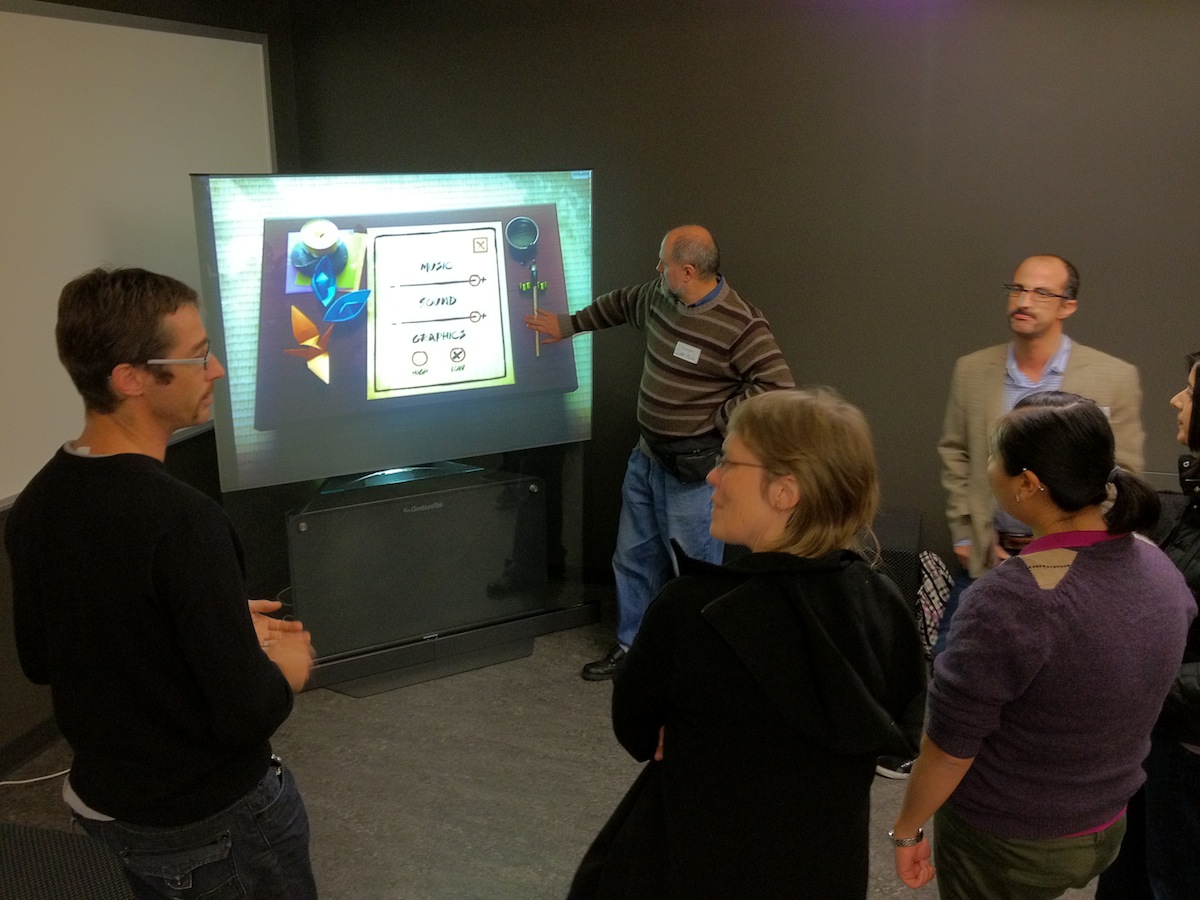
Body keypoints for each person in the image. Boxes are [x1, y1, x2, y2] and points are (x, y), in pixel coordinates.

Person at [5, 267, 318, 899]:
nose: (217, 370)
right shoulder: (184, 521)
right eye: (199, 356)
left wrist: (218, 622)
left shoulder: (40, 499)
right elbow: (247, 713)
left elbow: (46, 658)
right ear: (131, 378)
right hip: (210, 822)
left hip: (108, 809)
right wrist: (287, 663)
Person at [568, 389, 927, 899]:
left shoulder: (692, 609)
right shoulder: (882, 601)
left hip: (695, 863)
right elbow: (902, 722)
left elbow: (636, 728)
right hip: (822, 869)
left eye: (728, 461)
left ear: (784, 491)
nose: (712, 476)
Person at [891, 391, 1195, 900]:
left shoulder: (1012, 599)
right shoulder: (1157, 565)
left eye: (993, 457)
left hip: (1011, 843)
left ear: (1029, 485)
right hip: (1106, 825)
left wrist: (908, 827)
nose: (987, 467)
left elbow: (949, 748)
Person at [525, 225, 794, 680]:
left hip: (695, 472)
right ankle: (633, 645)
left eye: (663, 263)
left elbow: (777, 387)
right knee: (632, 558)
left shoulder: (742, 323)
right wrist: (568, 326)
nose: (656, 270)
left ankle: (693, 663)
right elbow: (621, 302)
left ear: (687, 271)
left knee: (693, 574)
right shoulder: (660, 296)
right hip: (647, 457)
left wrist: (716, 419)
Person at [1096, 353, 1200, 900]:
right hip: (1157, 740)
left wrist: (1143, 684)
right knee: (1128, 873)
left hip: (1188, 746)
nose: (1176, 401)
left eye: (1189, 390)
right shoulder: (1188, 505)